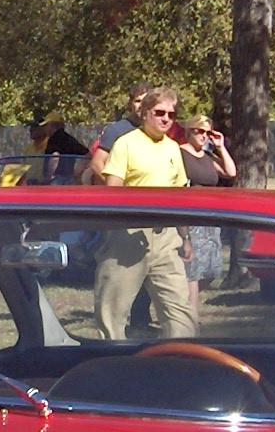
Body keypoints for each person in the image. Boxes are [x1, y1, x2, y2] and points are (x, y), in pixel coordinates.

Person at [93, 85, 197, 338]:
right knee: (112, 314)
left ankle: (183, 358)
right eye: (159, 113)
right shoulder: (126, 144)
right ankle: (112, 359)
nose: (166, 119)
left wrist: (185, 237)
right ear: (145, 113)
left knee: (181, 315)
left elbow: (179, 196)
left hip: (166, 237)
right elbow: (113, 190)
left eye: (171, 115)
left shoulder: (173, 148)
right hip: (128, 235)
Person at [177, 109, 236, 287]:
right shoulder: (179, 153)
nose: (204, 136)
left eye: (207, 133)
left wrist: (220, 146)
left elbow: (230, 172)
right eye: (200, 131)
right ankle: (189, 303)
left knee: (210, 271)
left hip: (210, 218)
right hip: (191, 217)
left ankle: (190, 299)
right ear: (189, 132)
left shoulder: (208, 157)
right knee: (193, 272)